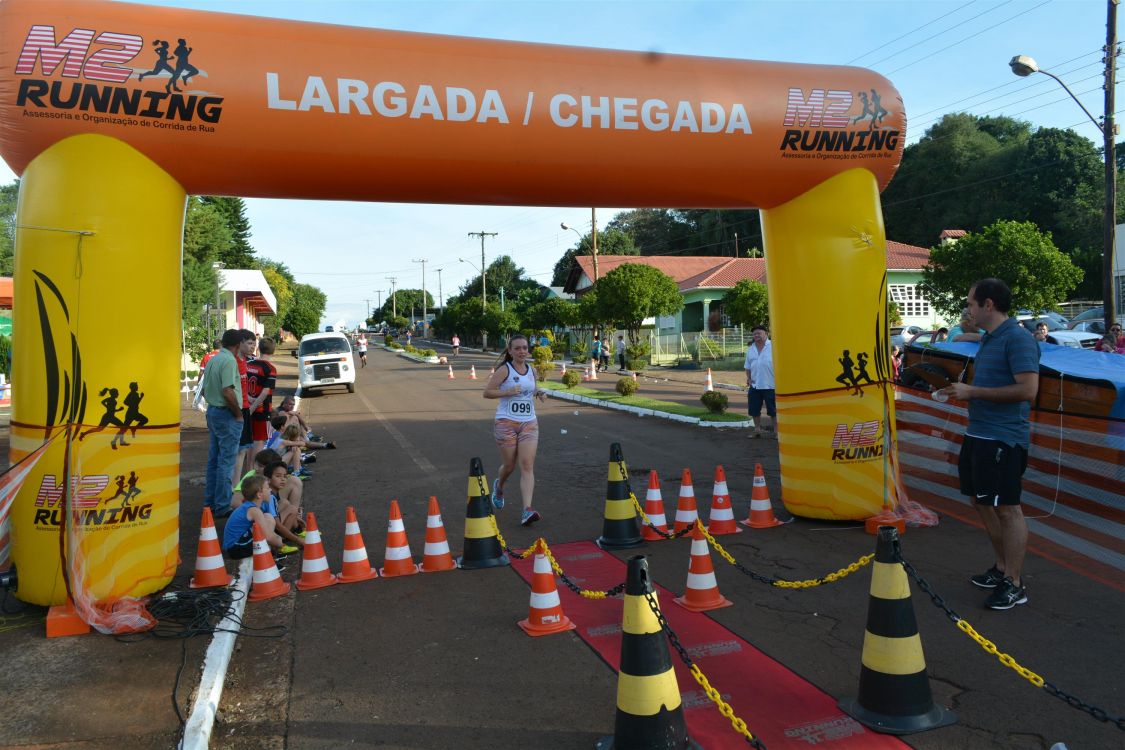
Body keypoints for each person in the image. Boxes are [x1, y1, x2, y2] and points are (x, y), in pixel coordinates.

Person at [936, 278, 1038, 611]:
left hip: (1003, 438)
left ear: (988, 305)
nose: (968, 309)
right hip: (979, 433)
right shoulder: (991, 338)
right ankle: (1002, 567)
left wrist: (973, 392)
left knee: (1007, 508)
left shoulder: (1018, 339)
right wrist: (963, 391)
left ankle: (1015, 583)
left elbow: (1028, 390)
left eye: (971, 303)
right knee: (981, 502)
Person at [483, 333, 547, 526]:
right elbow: (487, 392)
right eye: (517, 348)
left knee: (527, 465)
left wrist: (539, 392)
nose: (522, 351)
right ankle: (499, 487)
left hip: (529, 422)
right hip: (506, 423)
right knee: (509, 465)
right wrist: (508, 392)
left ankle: (527, 509)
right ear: (510, 351)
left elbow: (531, 389)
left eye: (524, 348)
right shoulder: (505, 370)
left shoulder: (532, 370)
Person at [203, 329, 246, 518]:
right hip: (226, 414)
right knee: (226, 462)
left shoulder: (214, 359)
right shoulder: (229, 361)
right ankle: (222, 505)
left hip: (213, 411)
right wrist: (238, 414)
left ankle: (210, 503)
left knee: (214, 460)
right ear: (238, 345)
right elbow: (228, 391)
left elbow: (205, 389)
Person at [221, 475, 290, 559]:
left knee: (268, 517)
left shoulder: (249, 507)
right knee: (267, 530)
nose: (270, 490)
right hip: (236, 548)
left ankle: (269, 554)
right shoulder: (254, 511)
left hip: (236, 545)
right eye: (268, 488)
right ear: (259, 494)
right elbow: (267, 537)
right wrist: (280, 543)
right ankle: (266, 558)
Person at [246, 337, 277, 469]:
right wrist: (253, 408)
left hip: (247, 406)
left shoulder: (249, 364)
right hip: (261, 410)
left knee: (249, 443)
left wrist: (249, 401)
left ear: (259, 348)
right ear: (273, 351)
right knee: (259, 443)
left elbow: (243, 384)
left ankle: (248, 471)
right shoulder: (270, 369)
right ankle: (253, 473)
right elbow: (265, 392)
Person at [743, 325, 776, 438]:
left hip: (771, 385)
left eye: (759, 333)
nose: (756, 335)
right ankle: (757, 430)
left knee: (773, 410)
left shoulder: (774, 346)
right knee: (754, 409)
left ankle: (777, 432)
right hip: (755, 385)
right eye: (754, 334)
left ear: (766, 334)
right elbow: (747, 366)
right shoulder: (751, 349)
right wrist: (749, 378)